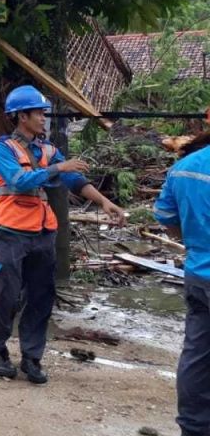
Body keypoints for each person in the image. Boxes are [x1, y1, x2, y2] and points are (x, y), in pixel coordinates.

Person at [0, 85, 125, 383]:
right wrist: (59, 166)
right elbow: (19, 181)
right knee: (4, 295)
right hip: (9, 229)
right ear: (21, 116)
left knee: (41, 296)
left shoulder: (47, 150)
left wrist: (104, 202)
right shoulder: (2, 148)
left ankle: (32, 358)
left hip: (42, 232)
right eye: (39, 113)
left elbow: (74, 179)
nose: (43, 118)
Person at [154, 141, 210, 436]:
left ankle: (193, 427)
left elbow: (166, 216)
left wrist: (195, 243)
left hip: (199, 274)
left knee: (198, 355)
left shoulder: (185, 168)